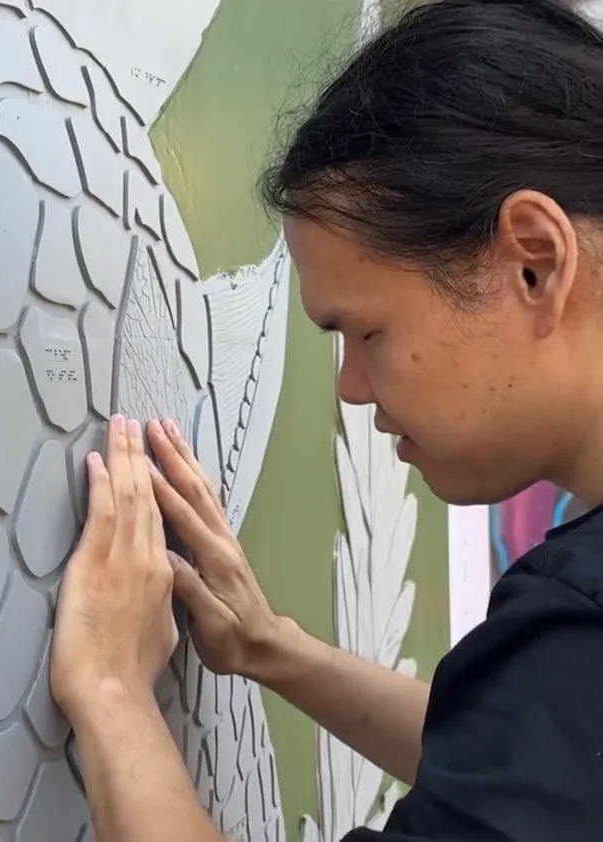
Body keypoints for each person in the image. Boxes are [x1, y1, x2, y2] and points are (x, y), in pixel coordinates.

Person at [48, 0, 603, 838]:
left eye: (366, 333)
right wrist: (271, 648)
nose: (349, 388)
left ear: (535, 261)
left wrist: (110, 689)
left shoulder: (579, 625)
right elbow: (520, 770)